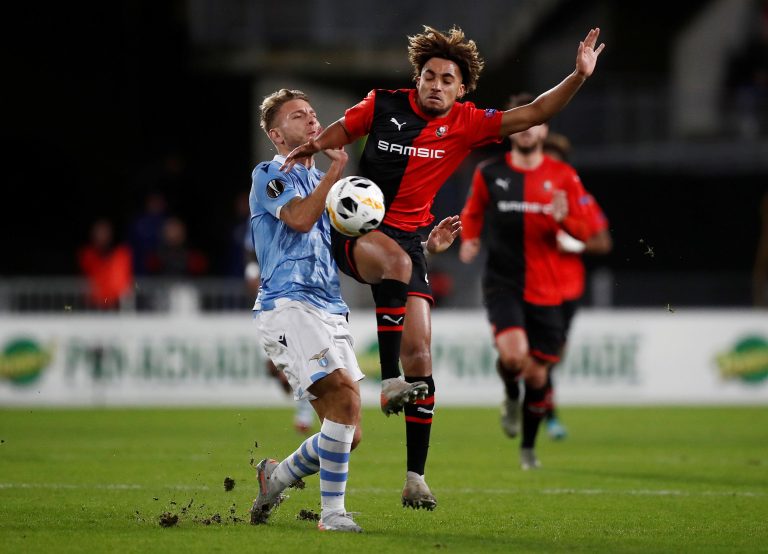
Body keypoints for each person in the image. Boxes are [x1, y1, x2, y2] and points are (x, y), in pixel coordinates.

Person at [281, 26, 605, 503]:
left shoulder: (469, 123)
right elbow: (340, 132)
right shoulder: (382, 104)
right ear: (418, 78)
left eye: (447, 79)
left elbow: (535, 111)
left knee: (422, 355)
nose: (436, 84)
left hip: (411, 245)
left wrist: (577, 75)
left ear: (462, 88)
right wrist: (305, 150)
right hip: (355, 231)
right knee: (393, 264)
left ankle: (415, 478)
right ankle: (389, 380)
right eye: (429, 76)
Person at [458, 92, 595, 470]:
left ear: (545, 129)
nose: (528, 129)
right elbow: (472, 213)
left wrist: (566, 219)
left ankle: (528, 448)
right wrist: (469, 240)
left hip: (549, 289)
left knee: (537, 375)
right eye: (521, 121)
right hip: (504, 281)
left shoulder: (562, 176)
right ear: (512, 128)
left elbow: (587, 230)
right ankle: (508, 395)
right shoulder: (490, 172)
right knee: (514, 356)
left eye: (536, 122)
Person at [248, 88, 363, 532]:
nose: (313, 121)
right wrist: (335, 170)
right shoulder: (268, 173)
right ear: (277, 134)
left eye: (314, 114)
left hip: (329, 306)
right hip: (287, 303)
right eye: (299, 116)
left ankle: (274, 479)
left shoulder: (329, 186)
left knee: (349, 434)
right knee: (344, 400)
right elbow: (296, 219)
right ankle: (332, 515)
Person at [542, 132, 613, 440]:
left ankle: (536, 400)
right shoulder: (522, 195)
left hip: (566, 289)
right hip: (529, 284)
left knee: (550, 357)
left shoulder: (579, 199)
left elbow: (603, 242)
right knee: (536, 355)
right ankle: (550, 416)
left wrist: (573, 244)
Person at [78, 219, 133, 310]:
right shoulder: (87, 255)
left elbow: (123, 280)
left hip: (116, 304)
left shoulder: (121, 254)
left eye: (105, 232)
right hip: (93, 304)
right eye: (99, 233)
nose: (102, 236)